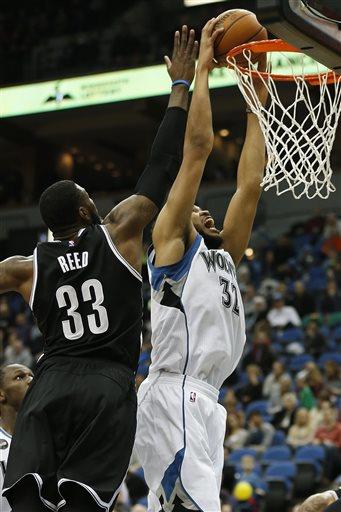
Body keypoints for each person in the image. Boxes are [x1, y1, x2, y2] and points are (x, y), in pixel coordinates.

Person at [1, 26, 198, 512]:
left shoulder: (26, 269)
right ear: (87, 211)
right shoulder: (120, 231)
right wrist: (180, 85)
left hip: (49, 381)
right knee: (86, 502)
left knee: (27, 500)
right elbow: (161, 163)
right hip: (106, 383)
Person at [134, 18, 268, 512]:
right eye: (196, 208)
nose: (205, 210)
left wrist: (257, 100)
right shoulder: (170, 241)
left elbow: (249, 185)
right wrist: (205, 72)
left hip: (207, 401)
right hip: (176, 392)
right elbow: (197, 150)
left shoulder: (223, 255)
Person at [0, 364, 34, 512]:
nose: (31, 380)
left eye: (32, 375)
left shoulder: (50, 438)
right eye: (20, 377)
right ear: (1, 394)